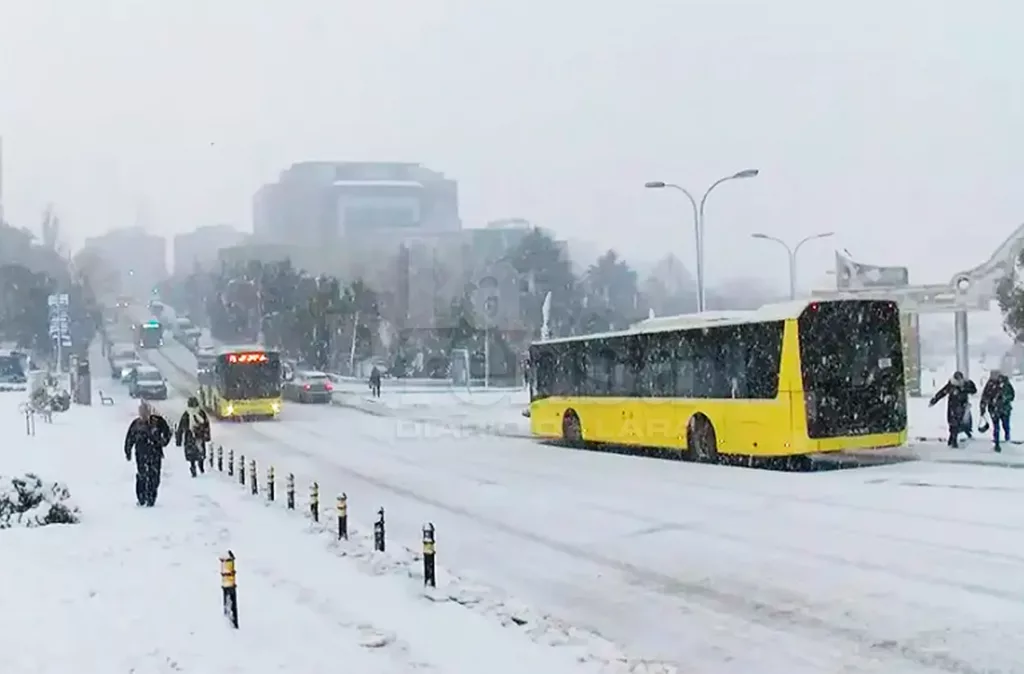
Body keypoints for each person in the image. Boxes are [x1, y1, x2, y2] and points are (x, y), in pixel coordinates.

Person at [124, 401, 172, 506]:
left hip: (155, 454)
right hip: (141, 455)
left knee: (154, 477)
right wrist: (128, 451)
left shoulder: (157, 422)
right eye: (141, 412)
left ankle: (151, 498)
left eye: (145, 412)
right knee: (142, 476)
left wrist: (163, 442)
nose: (143, 415)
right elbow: (129, 439)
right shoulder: (136, 424)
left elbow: (167, 432)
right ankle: (141, 498)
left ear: (149, 412)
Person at [929, 371, 977, 448]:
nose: (959, 382)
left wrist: (965, 389)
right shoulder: (951, 385)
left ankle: (953, 439)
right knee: (953, 423)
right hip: (952, 406)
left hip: (962, 406)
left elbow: (974, 390)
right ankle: (952, 439)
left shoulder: (966, 384)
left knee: (958, 423)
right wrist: (934, 400)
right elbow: (942, 392)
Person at [980, 368, 1015, 452]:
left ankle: (1007, 439)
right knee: (996, 427)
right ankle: (997, 442)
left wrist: (1004, 399)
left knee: (1005, 425)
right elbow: (985, 396)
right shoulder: (990, 384)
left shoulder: (1005, 383)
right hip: (994, 409)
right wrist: (982, 408)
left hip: (1004, 408)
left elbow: (1012, 395)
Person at [175, 396, 211, 477]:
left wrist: (179, 440)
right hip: (199, 436)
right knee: (200, 452)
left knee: (192, 454)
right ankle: (200, 467)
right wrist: (207, 436)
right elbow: (206, 425)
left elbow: (180, 428)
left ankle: (193, 466)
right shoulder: (201, 413)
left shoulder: (186, 414)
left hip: (190, 436)